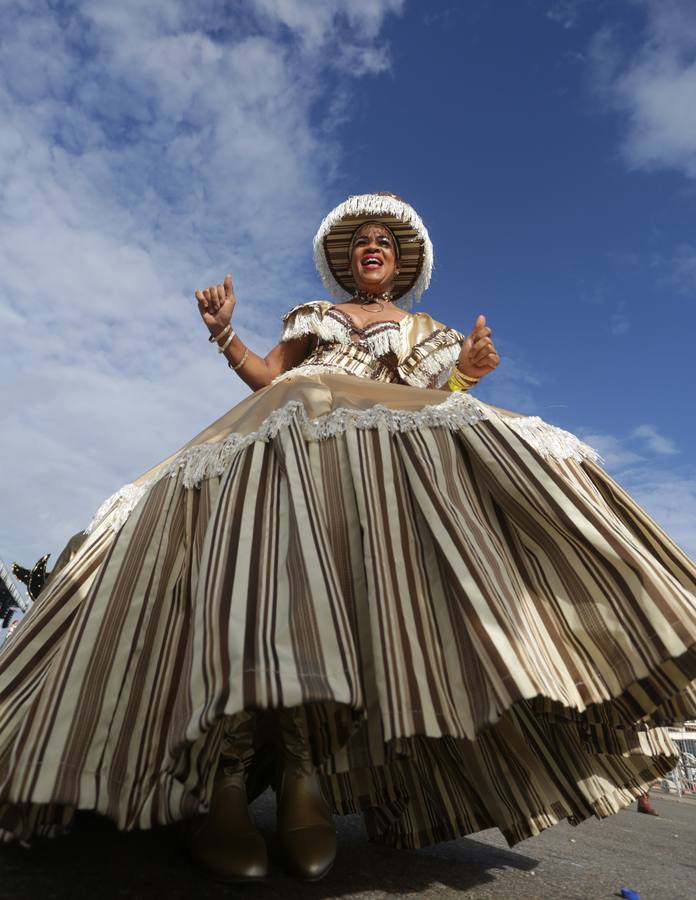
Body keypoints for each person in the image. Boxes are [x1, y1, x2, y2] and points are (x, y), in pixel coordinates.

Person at [0, 193, 694, 885]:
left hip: (366, 460)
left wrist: (468, 375)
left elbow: (435, 396)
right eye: (362, 240)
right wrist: (222, 333)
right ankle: (228, 786)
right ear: (347, 259)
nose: (372, 246)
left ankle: (306, 777)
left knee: (335, 600)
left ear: (397, 265)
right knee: (263, 584)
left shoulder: (420, 327)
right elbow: (269, 376)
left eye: (384, 243)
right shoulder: (317, 317)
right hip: (282, 437)